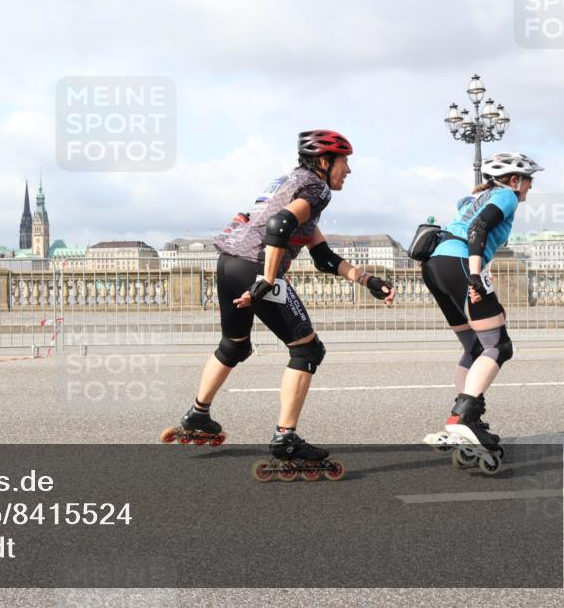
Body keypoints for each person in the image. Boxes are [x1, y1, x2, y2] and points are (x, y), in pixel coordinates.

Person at [160, 130, 396, 474]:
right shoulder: (317, 189)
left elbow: (324, 257)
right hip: (255, 268)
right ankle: (285, 437)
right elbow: (280, 224)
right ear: (325, 162)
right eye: (345, 162)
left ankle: (198, 414)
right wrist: (267, 279)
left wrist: (368, 281)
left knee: (235, 345)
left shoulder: (291, 183)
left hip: (229, 264)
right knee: (308, 351)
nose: (349, 171)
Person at [421, 152, 543, 468]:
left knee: (475, 346)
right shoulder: (506, 196)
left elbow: (469, 217)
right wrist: (476, 275)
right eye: (529, 180)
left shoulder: (478, 195)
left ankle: (459, 420)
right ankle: (464, 417)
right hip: (460, 262)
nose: (530, 187)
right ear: (516, 180)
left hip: (436, 265)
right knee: (499, 346)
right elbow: (479, 229)